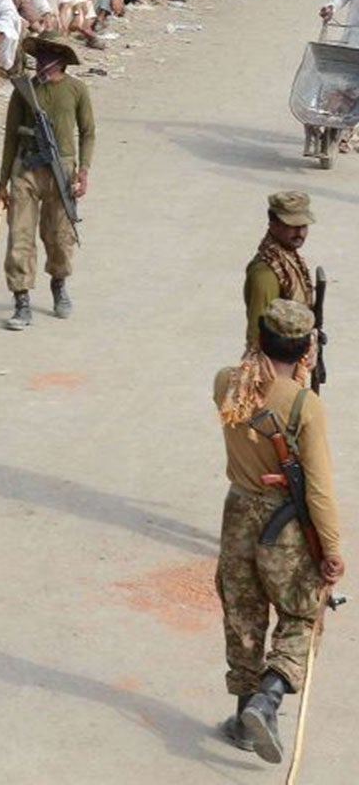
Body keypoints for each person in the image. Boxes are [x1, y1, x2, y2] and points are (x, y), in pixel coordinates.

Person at [214, 299, 343, 764]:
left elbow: (253, 389)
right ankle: (268, 700)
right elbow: (321, 489)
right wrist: (331, 549)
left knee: (243, 614)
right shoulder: (305, 406)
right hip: (284, 524)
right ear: (307, 348)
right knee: (303, 614)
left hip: (237, 516)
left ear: (258, 339)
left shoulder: (227, 383)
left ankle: (245, 719)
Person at [0, 36, 94, 330]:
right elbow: (11, 135)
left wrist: (83, 171)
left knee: (59, 237)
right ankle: (21, 300)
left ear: (62, 59)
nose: (42, 60)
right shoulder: (24, 91)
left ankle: (59, 284)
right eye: (40, 53)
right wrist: (2, 183)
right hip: (26, 168)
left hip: (62, 170)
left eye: (50, 54)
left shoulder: (76, 89)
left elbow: (88, 133)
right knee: (19, 237)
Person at [243, 192, 317, 352]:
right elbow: (258, 332)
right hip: (277, 364)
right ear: (273, 224)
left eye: (303, 226)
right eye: (292, 226)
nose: (300, 233)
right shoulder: (266, 274)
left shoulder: (287, 259)